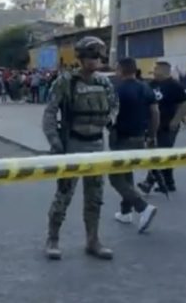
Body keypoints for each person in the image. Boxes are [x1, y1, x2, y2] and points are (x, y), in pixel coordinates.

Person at [43, 36, 117, 261]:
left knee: (95, 196)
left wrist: (111, 119)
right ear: (80, 57)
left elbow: (114, 104)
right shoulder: (65, 82)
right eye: (89, 56)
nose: (94, 61)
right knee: (64, 194)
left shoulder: (104, 82)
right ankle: (53, 238)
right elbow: (50, 112)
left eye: (97, 56)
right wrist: (55, 142)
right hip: (73, 144)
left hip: (96, 143)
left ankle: (93, 240)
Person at [109, 58, 159, 233]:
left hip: (121, 138)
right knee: (126, 173)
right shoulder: (145, 88)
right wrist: (152, 135)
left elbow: (110, 115)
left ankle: (143, 207)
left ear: (121, 70)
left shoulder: (117, 89)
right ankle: (125, 212)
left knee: (115, 178)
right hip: (140, 137)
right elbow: (155, 113)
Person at [138, 61, 186, 194]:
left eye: (156, 69)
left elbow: (185, 103)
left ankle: (148, 182)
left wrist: (176, 120)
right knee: (163, 154)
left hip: (168, 125)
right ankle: (169, 183)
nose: (154, 71)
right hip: (154, 125)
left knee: (161, 153)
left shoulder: (174, 85)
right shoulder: (152, 84)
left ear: (164, 71)